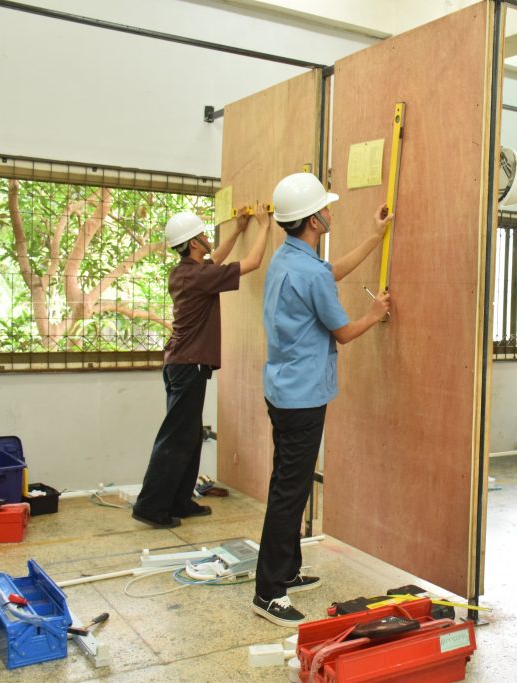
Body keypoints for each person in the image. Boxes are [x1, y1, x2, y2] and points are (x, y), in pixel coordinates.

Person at [252, 173, 392, 627]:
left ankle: (287, 571)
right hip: (302, 398)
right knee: (289, 492)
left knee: (287, 484)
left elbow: (329, 273)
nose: (330, 212)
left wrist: (375, 237)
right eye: (325, 208)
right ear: (314, 220)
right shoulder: (308, 270)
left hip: (283, 390)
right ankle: (269, 592)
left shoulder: (287, 258)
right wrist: (375, 313)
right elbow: (344, 332)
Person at [132, 203, 271, 528]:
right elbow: (252, 262)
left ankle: (180, 501)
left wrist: (237, 229)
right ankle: (150, 506)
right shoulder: (198, 276)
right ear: (194, 243)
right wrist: (265, 226)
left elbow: (215, 261)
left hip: (182, 364)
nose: (208, 238)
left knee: (189, 435)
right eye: (203, 235)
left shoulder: (186, 272)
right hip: (188, 365)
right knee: (176, 437)